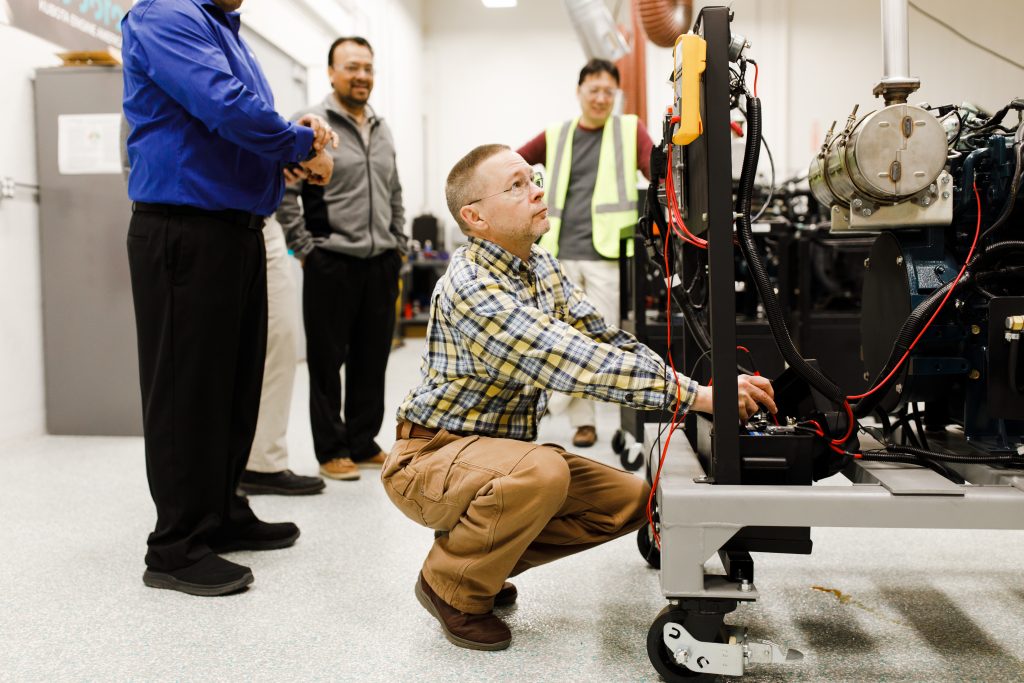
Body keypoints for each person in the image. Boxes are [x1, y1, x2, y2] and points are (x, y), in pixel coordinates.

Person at [382, 144, 776, 651]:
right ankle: (451, 584)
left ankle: (479, 561)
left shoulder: (539, 267)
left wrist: (691, 384)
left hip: (493, 458)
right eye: (516, 185)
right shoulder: (472, 287)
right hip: (430, 458)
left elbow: (601, 339)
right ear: (474, 217)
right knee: (543, 472)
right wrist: (698, 397)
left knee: (629, 501)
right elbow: (573, 361)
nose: (537, 190)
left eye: (534, 178)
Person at [122, 0, 336, 596]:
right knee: (186, 390)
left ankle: (222, 513)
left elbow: (244, 124)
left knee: (234, 384)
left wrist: (288, 153)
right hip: (184, 227)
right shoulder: (166, 15)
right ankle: (175, 546)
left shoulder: (228, 32)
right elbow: (225, 106)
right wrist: (298, 143)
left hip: (235, 227)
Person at [278, 36, 407, 482]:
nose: (362, 76)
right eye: (352, 67)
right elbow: (286, 190)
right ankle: (331, 448)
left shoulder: (382, 126)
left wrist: (400, 244)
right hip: (329, 259)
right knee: (327, 360)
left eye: (368, 68)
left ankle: (362, 439)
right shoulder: (310, 124)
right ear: (331, 72)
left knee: (373, 357)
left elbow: (393, 191)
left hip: (381, 260)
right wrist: (304, 247)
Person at [517, 58, 654, 449]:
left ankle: (547, 399)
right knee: (558, 336)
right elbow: (514, 161)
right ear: (579, 92)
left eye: (608, 91)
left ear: (616, 95)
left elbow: (654, 169)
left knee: (595, 341)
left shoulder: (629, 130)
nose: (600, 98)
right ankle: (583, 422)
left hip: (606, 252)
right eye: (593, 90)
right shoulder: (557, 134)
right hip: (557, 252)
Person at [238, 206, 326, 496]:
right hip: (207, 217)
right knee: (215, 353)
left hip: (263, 218)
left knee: (281, 342)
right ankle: (221, 466)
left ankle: (262, 463)